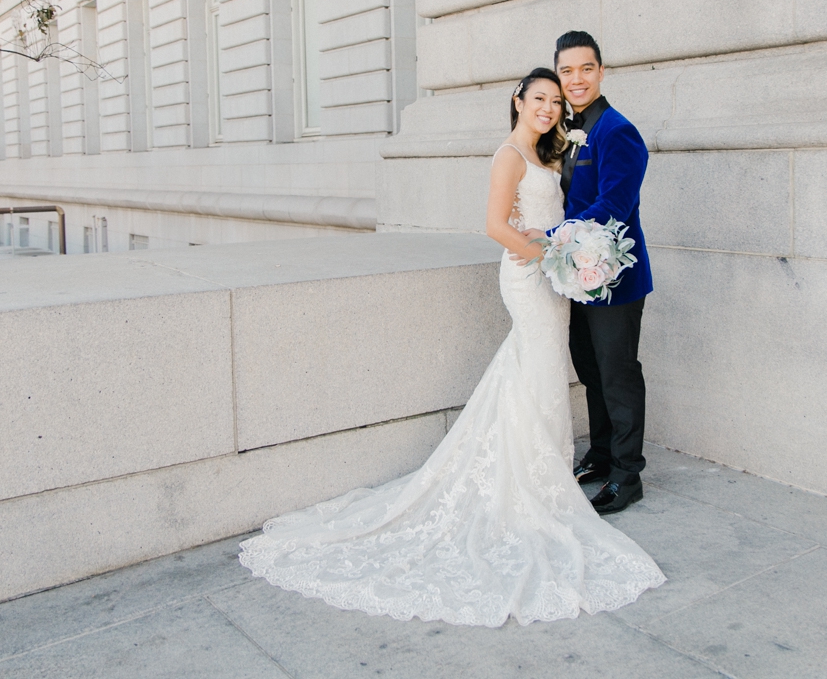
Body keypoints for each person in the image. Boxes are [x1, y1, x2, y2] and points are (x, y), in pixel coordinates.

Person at [239, 67, 664, 627]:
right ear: (517, 100)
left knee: (535, 373)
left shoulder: (549, 151)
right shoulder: (510, 154)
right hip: (530, 278)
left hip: (551, 278)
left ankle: (545, 472)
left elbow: (563, 213)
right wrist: (552, 256)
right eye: (539, 98)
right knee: (536, 369)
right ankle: (532, 485)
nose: (549, 108)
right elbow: (494, 225)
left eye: (555, 101)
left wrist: (561, 254)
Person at [551, 31, 653, 516]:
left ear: (601, 72)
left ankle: (628, 473)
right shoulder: (568, 130)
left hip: (616, 278)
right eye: (567, 71)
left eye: (585, 69)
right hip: (578, 275)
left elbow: (614, 204)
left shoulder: (617, 131)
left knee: (617, 374)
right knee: (590, 370)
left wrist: (553, 235)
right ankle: (601, 452)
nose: (576, 79)